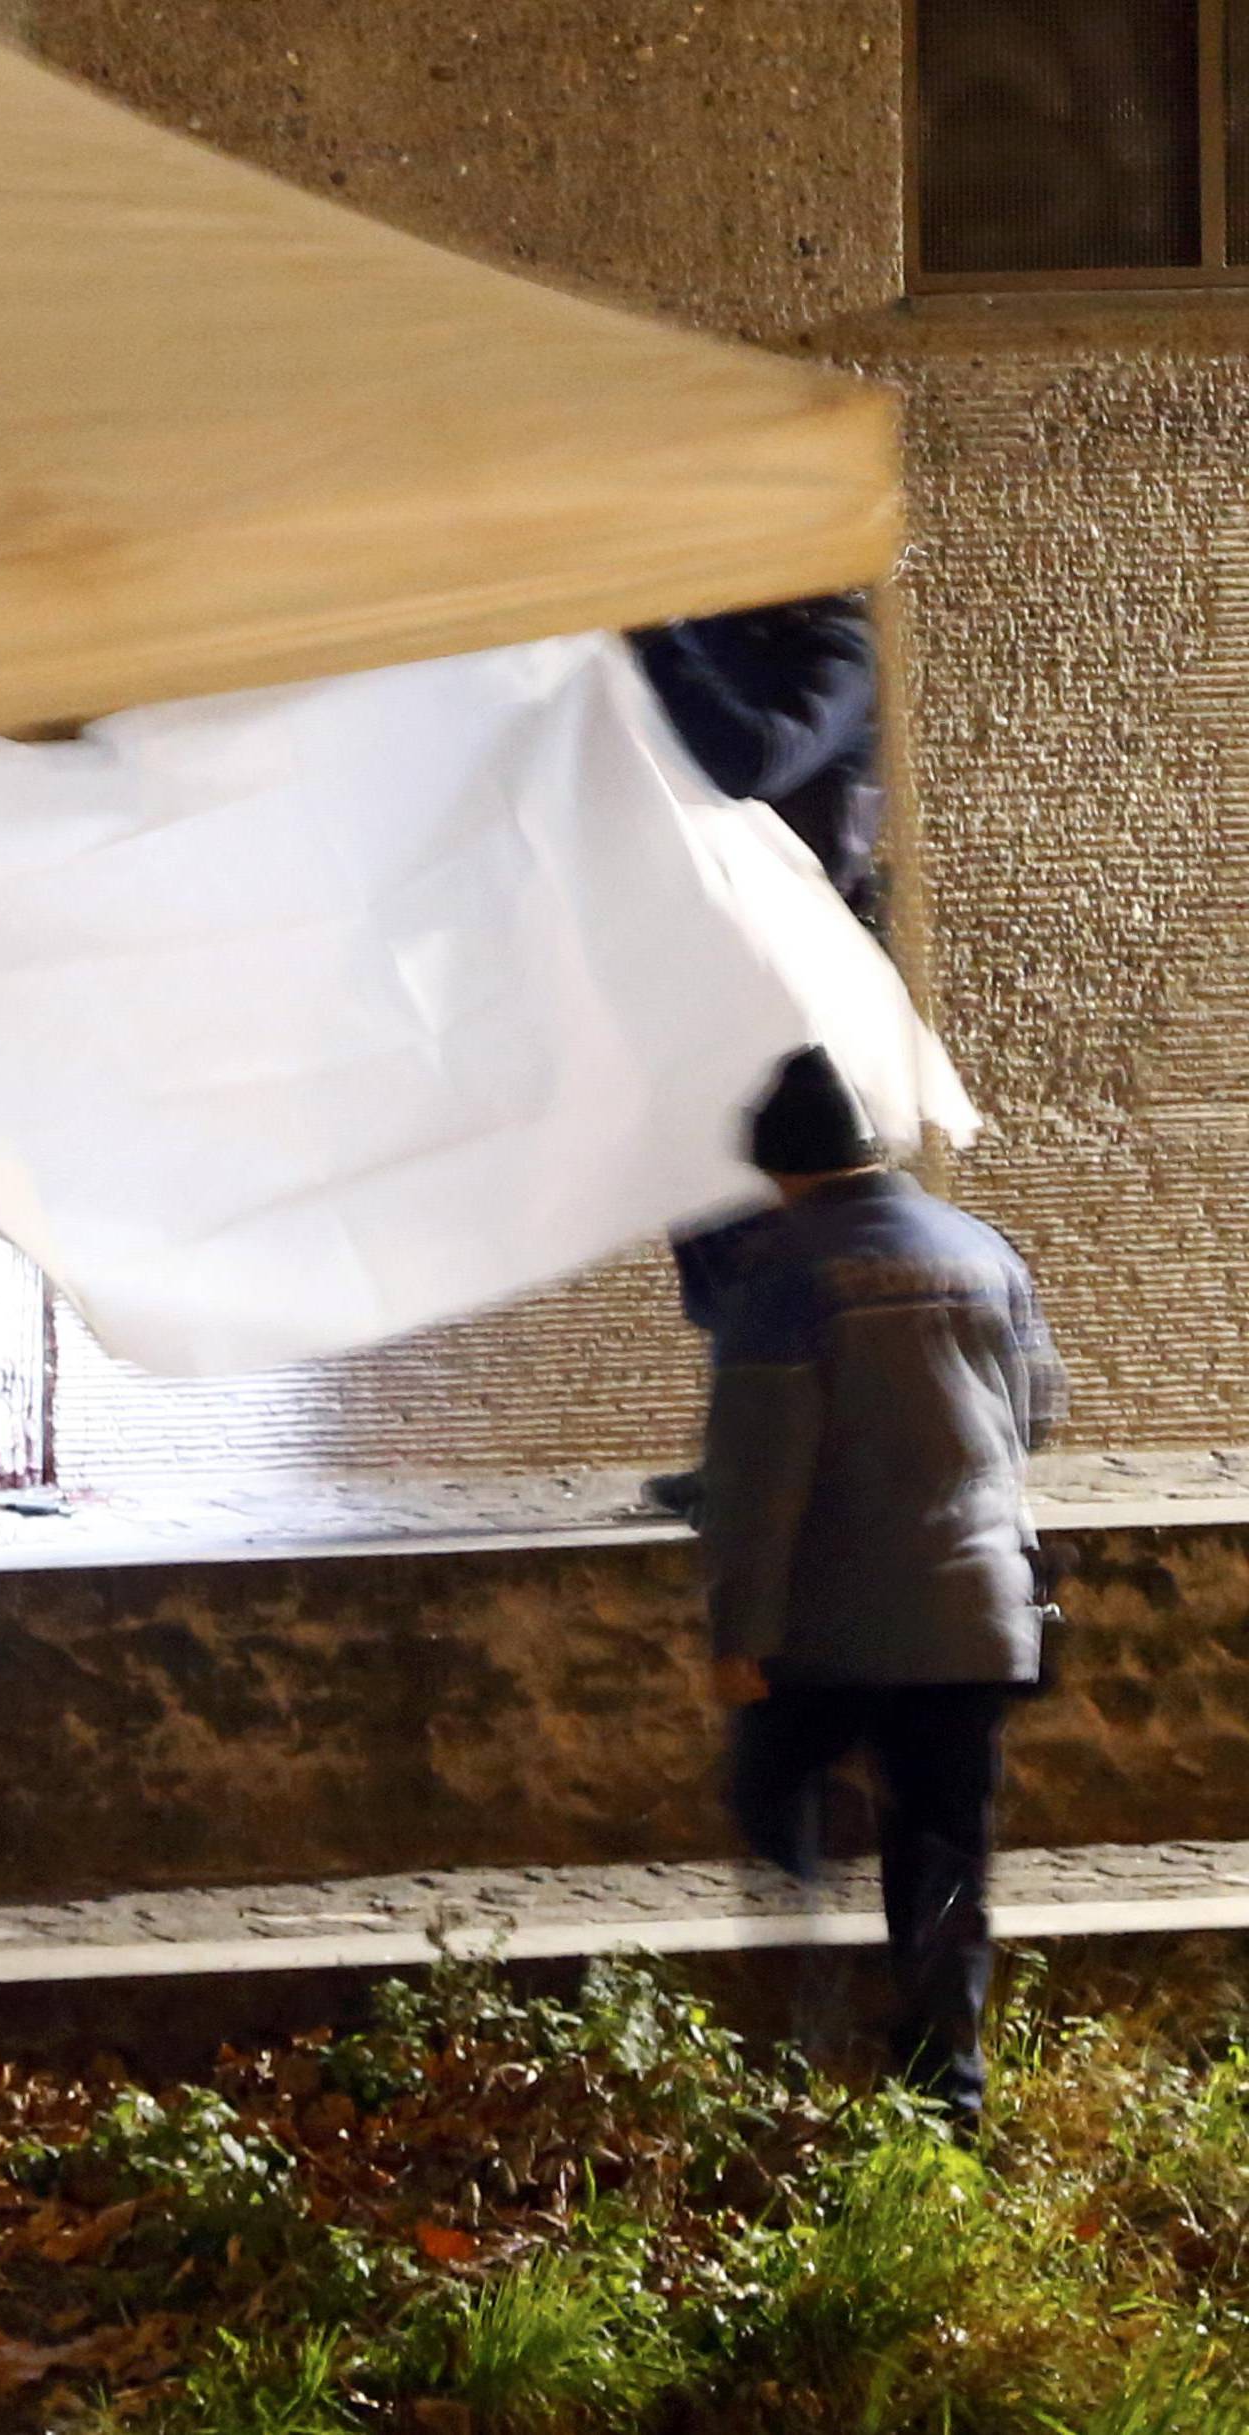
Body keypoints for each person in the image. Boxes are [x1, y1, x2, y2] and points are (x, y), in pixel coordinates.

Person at [701, 1046, 1066, 2133]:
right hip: (978, 1615)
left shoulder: (783, 1277)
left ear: (783, 1173)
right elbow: (1037, 1409)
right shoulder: (981, 1248)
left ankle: (800, 2058)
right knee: (944, 1854)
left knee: (776, 1804)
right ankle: (947, 2105)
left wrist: (738, 1636)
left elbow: (759, 1480)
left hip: (837, 1625)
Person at [633, 593, 884, 1525]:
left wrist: (650, 637)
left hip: (795, 997)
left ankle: (815, 1454)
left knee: (781, 1232)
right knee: (711, 1235)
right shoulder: (712, 640)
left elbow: (758, 757)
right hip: (699, 977)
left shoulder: (833, 646)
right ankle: (747, 1448)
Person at [632, 593, 883, 921]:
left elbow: (756, 763)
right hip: (675, 883)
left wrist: (657, 641)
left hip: (782, 921)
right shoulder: (726, 618)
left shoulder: (845, 656)